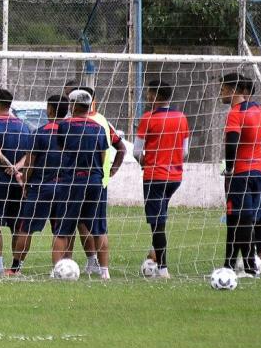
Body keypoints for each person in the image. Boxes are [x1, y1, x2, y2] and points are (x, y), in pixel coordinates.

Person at [52, 89, 119, 279]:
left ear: (72, 105)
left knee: (63, 229)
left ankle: (56, 270)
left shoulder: (64, 126)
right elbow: (103, 155)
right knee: (99, 228)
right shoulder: (98, 128)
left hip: (72, 181)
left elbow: (62, 149)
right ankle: (104, 272)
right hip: (95, 181)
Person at [135, 80, 190, 279]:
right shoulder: (182, 117)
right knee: (161, 217)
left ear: (155, 96)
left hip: (155, 176)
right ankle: (153, 252)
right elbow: (185, 152)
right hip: (175, 177)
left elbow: (136, 151)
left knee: (157, 224)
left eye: (148, 93)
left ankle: (163, 269)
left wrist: (144, 161)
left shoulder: (148, 118)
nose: (146, 96)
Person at [10, 94, 69, 276]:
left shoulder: (39, 133)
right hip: (65, 187)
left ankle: (15, 268)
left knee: (26, 228)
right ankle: (60, 269)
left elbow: (30, 163)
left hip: (40, 187)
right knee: (61, 231)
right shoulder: (73, 132)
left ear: (50, 110)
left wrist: (25, 183)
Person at [220, 74, 261, 277]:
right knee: (237, 218)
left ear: (234, 91)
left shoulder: (235, 113)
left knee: (241, 219)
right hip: (259, 172)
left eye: (223, 89)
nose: (221, 93)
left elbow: (231, 143)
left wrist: (230, 169)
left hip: (241, 173)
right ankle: (229, 264)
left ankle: (250, 266)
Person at [0, 88, 32, 275]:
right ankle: (16, 267)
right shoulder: (23, 126)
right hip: (19, 183)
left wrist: (10, 167)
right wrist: (17, 168)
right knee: (17, 224)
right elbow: (29, 155)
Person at [77, 86, 126, 276]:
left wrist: (112, 169)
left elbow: (121, 147)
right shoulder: (98, 121)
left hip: (90, 181)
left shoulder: (100, 121)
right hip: (92, 181)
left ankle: (101, 268)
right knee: (84, 223)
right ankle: (94, 263)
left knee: (94, 224)